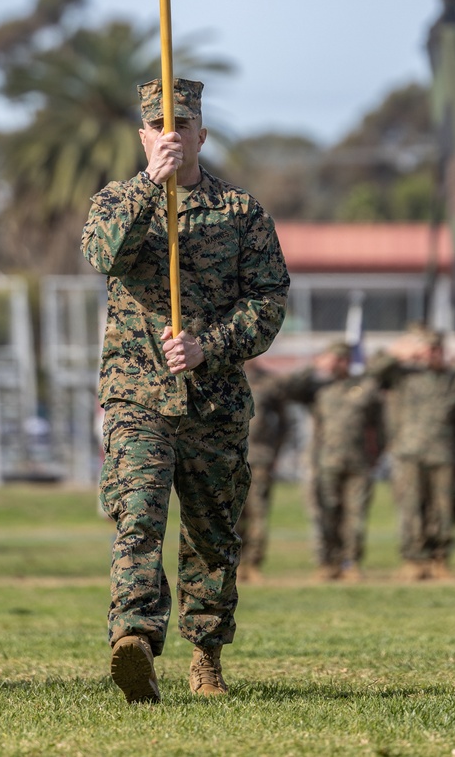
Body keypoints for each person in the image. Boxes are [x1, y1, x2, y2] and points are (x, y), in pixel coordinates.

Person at [82, 77, 289, 703]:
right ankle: (135, 641)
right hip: (137, 396)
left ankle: (206, 657)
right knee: (138, 515)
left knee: (212, 532)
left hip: (213, 400)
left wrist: (210, 346)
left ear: (202, 132)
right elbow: (101, 256)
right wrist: (151, 186)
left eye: (183, 124)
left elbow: (269, 301)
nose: (172, 134)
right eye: (158, 126)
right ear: (144, 135)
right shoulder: (116, 201)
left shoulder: (241, 213)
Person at [368, 324, 455, 581]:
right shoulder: (403, 374)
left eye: (437, 350)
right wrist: (399, 352)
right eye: (428, 349)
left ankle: (439, 559)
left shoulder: (452, 378)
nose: (432, 355)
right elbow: (374, 372)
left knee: (442, 509)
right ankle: (413, 559)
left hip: (442, 452)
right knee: (410, 508)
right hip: (408, 452)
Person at [237, 356, 325, 583]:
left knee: (258, 513)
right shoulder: (223, 376)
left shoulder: (270, 383)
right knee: (230, 515)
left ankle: (253, 564)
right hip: (227, 457)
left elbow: (284, 422)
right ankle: (233, 566)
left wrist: (275, 452)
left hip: (260, 458)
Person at [310, 344, 384, 582]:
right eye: (334, 360)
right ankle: (328, 563)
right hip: (327, 462)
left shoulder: (365, 388)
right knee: (327, 514)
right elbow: (290, 386)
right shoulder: (319, 389)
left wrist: (376, 455)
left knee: (356, 516)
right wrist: (318, 365)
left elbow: (381, 426)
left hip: (358, 463)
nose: (338, 364)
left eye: (342, 360)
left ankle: (350, 563)